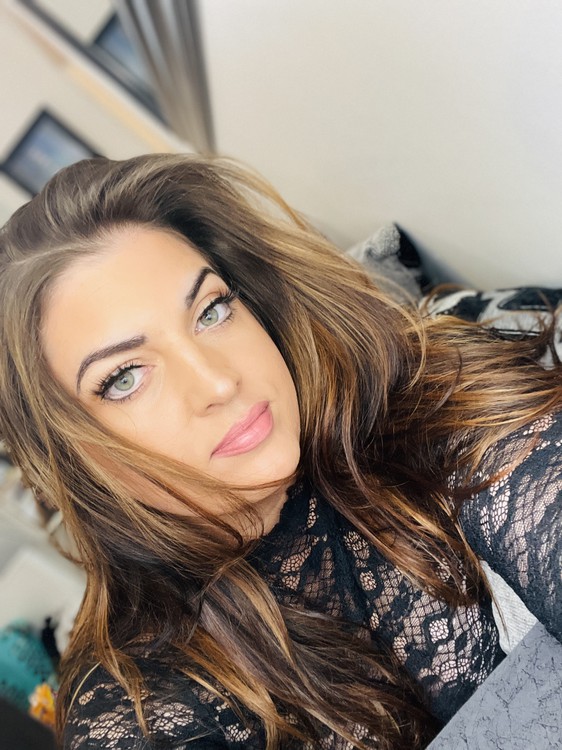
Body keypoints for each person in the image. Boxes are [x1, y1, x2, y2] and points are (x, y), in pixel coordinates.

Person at [0, 153, 560, 750]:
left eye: (211, 311)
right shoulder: (134, 703)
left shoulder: (426, 404)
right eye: (124, 378)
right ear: (72, 460)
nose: (219, 382)